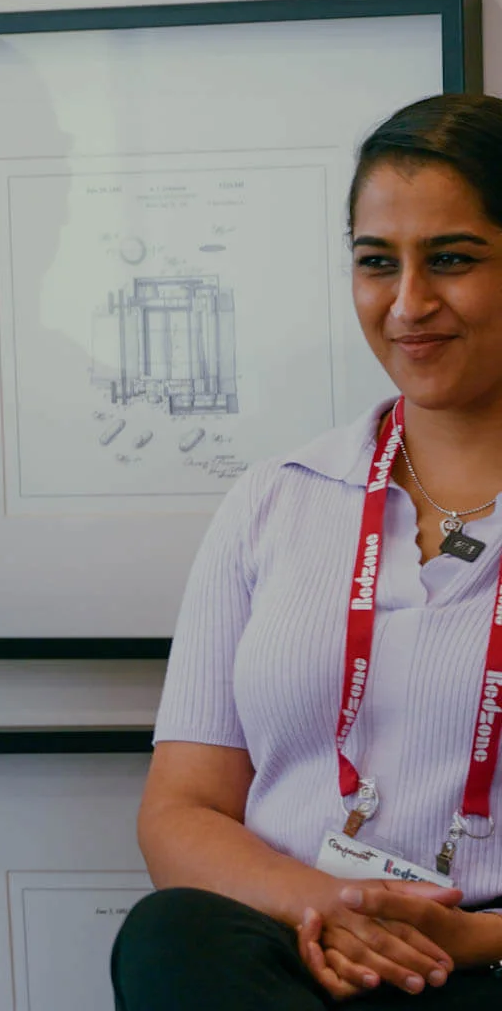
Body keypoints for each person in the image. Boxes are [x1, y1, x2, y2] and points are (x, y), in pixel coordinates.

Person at [114, 93, 502, 1009]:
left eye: (452, 259)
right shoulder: (276, 498)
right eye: (377, 262)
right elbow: (180, 811)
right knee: (171, 936)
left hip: (488, 955)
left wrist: (475, 939)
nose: (408, 303)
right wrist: (330, 905)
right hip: (292, 943)